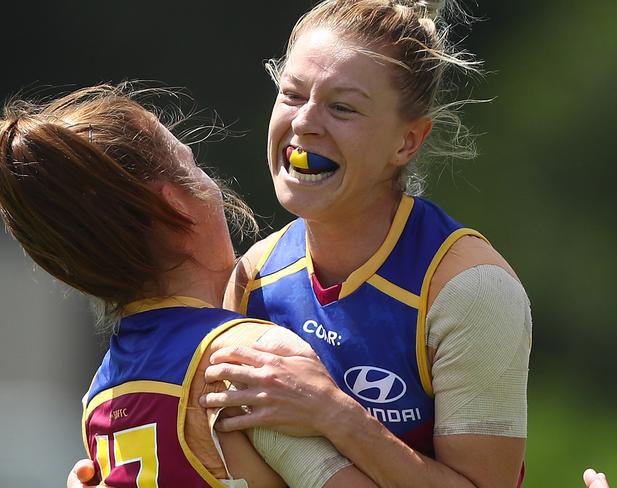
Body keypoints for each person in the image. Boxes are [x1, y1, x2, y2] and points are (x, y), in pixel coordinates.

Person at [198, 0, 532, 487]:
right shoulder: (254, 278)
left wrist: (332, 412)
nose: (305, 122)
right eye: (292, 95)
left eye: (342, 107)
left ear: (407, 141)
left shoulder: (469, 290)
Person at [0, 84, 377, 488]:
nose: (214, 186)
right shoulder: (246, 360)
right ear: (174, 204)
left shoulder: (98, 400)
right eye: (193, 165)